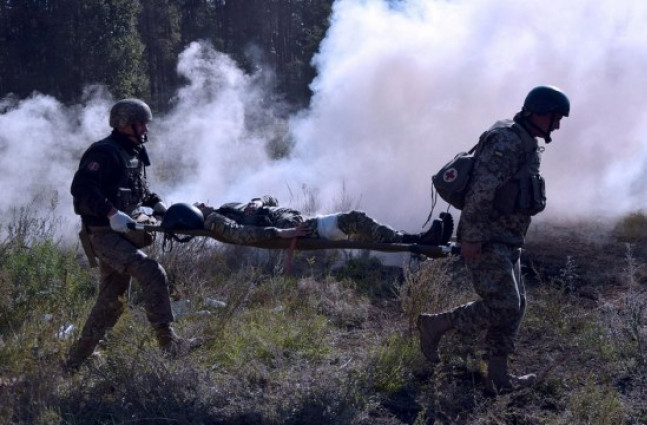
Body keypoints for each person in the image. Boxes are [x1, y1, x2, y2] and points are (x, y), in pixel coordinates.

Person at [417, 86, 570, 392]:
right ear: (539, 113)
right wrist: (471, 237)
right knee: (504, 305)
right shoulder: (508, 141)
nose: (557, 125)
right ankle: (435, 324)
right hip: (488, 237)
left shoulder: (525, 143)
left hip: (507, 239)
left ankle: (498, 379)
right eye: (555, 117)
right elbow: (481, 193)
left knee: (516, 306)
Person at [66, 99, 201, 370]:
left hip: (121, 233)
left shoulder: (133, 152)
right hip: (103, 233)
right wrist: (111, 214)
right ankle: (169, 344)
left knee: (112, 301)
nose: (146, 127)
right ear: (125, 124)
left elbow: (140, 190)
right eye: (141, 123)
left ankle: (76, 361)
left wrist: (159, 205)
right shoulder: (104, 152)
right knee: (152, 272)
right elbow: (82, 187)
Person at [193, 196, 453, 246]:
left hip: (303, 221)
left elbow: (269, 197)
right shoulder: (216, 219)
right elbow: (240, 235)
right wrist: (283, 234)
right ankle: (417, 240)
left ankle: (424, 239)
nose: (202, 202)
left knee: (358, 227)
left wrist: (259, 201)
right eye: (197, 206)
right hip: (301, 229)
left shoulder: (226, 206)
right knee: (355, 219)